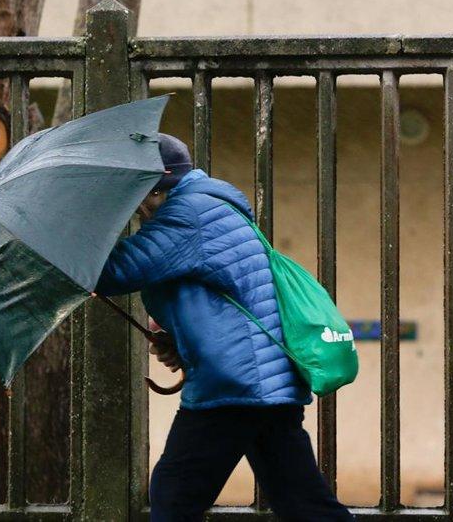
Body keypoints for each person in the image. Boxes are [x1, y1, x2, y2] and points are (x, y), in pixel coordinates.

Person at [96, 133, 354, 522]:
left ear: (154, 188)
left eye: (137, 197)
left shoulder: (188, 214)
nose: (137, 211)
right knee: (304, 504)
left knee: (173, 496)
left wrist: (68, 237)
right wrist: (178, 341)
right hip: (266, 384)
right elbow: (220, 297)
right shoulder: (211, 205)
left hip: (236, 385)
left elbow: (114, 271)